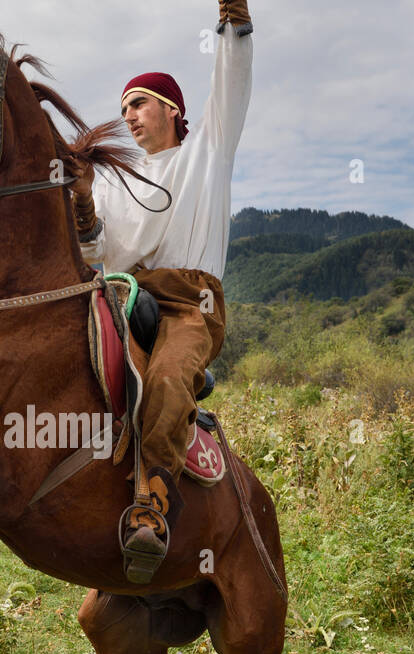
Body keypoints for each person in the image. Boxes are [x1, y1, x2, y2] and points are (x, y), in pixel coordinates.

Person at [72, 0, 253, 583]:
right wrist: (80, 205)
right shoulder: (115, 184)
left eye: (138, 103)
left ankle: (152, 504)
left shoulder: (208, 152)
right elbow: (98, 255)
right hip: (122, 295)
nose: (128, 116)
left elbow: (231, 85)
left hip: (189, 301)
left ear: (173, 109)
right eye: (122, 108)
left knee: (171, 374)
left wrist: (233, 23)